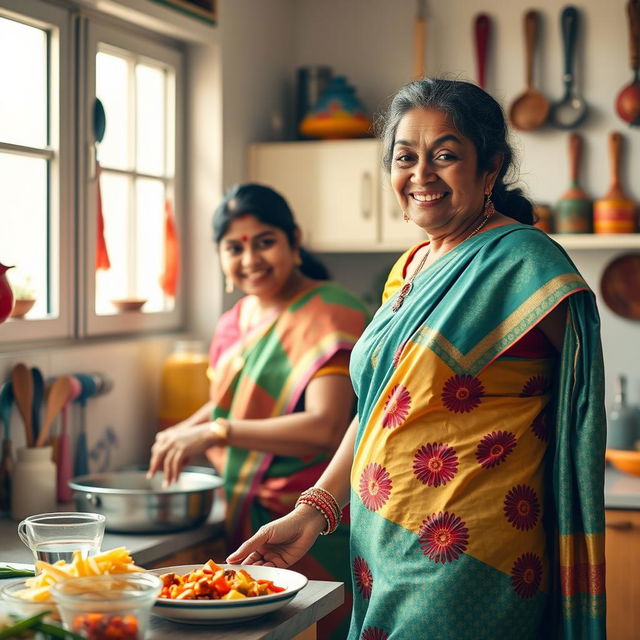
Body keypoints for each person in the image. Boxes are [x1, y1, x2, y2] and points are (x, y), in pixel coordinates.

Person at [227, 79, 606, 640]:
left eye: (446, 156)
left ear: (490, 168)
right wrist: (315, 510)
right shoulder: (408, 269)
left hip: (468, 555)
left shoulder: (523, 261)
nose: (421, 175)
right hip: (379, 551)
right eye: (405, 157)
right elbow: (381, 406)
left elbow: (578, 397)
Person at [147, 183, 370, 640]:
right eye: (234, 248)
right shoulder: (234, 322)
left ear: (295, 241)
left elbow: (324, 428)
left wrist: (216, 432)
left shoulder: (329, 313)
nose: (250, 260)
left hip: (317, 518)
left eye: (265, 242)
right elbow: (227, 404)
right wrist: (182, 434)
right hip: (244, 515)